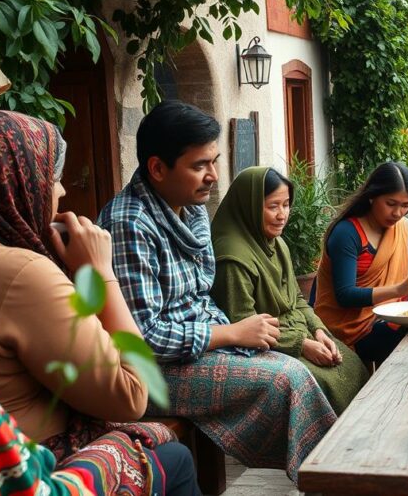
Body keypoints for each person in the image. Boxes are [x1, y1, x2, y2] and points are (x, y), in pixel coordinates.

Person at [0, 114, 197, 495]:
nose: (61, 193)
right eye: (52, 179)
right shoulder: (21, 273)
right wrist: (101, 272)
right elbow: (134, 393)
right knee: (175, 459)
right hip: (24, 466)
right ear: (16, 184)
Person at [98, 100, 335, 484]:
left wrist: (241, 336)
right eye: (199, 165)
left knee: (298, 370)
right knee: (287, 379)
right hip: (153, 373)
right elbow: (141, 337)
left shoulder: (190, 211)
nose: (212, 175)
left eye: (214, 161)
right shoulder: (129, 223)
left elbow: (199, 295)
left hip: (201, 349)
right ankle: (326, 481)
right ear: (157, 168)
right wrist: (231, 334)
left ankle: (329, 478)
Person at [210, 167, 369, 414]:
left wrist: (319, 331)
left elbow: (295, 298)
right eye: (273, 206)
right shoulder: (233, 258)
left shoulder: (277, 243)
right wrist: (301, 345)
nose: (282, 215)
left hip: (297, 331)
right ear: (250, 206)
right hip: (263, 346)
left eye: (286, 205)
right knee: (324, 383)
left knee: (351, 363)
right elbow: (241, 323)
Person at [313, 162, 408, 367]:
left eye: (405, 206)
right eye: (391, 203)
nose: (398, 213)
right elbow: (345, 296)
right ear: (371, 197)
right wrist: (398, 289)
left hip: (387, 317)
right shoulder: (347, 233)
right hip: (348, 329)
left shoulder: (403, 227)